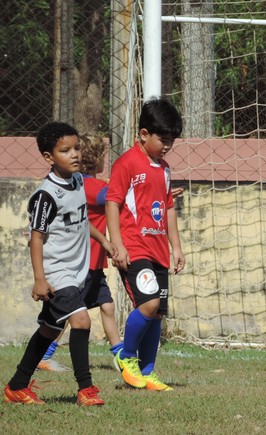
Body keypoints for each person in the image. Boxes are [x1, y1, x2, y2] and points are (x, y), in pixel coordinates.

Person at [4, 122, 115, 406]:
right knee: (80, 321)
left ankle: (17, 386)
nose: (74, 154)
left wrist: (102, 240)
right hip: (56, 272)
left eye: (76, 148)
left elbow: (79, 220)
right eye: (65, 150)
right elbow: (36, 237)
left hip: (75, 270)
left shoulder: (77, 181)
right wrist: (40, 278)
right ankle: (86, 390)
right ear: (48, 157)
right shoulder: (46, 195)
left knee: (49, 331)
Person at [106, 97, 185, 392]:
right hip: (134, 248)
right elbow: (113, 203)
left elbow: (168, 209)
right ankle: (126, 357)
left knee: (158, 312)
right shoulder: (127, 163)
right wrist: (118, 244)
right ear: (143, 134)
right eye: (163, 140)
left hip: (158, 251)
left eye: (171, 141)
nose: (167, 146)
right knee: (148, 303)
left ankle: (148, 372)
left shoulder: (164, 169)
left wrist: (176, 247)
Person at [37, 134, 123, 372]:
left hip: (93, 262)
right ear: (96, 160)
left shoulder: (80, 184)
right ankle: (45, 354)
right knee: (67, 314)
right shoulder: (91, 186)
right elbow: (115, 197)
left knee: (106, 306)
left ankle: (120, 356)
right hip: (84, 262)